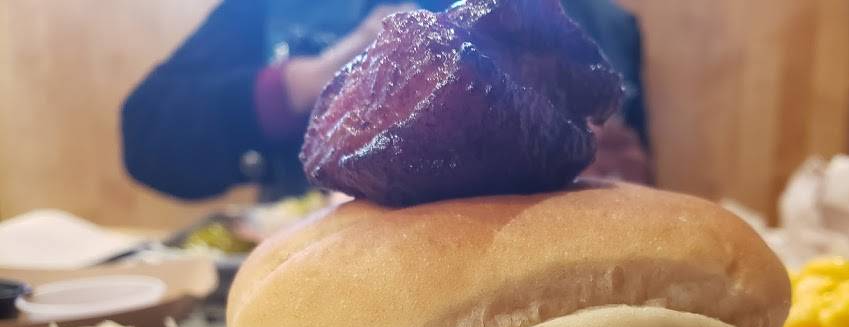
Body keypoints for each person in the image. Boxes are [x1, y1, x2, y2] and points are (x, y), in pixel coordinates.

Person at [121, 0, 650, 201]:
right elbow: (147, 136)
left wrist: (612, 167)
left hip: (530, 268)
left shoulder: (581, 17)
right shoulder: (267, 9)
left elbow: (632, 170)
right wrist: (311, 78)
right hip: (322, 279)